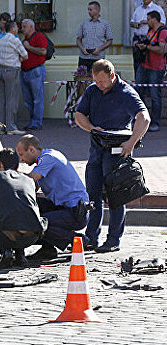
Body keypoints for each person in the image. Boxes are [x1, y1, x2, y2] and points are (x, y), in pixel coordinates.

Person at [75, 59, 150, 253]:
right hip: (96, 151)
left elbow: (144, 118)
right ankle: (92, 238)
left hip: (117, 152)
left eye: (102, 82)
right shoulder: (92, 91)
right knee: (93, 195)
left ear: (112, 76)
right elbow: (79, 115)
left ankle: (113, 240)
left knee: (116, 197)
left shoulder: (126, 93)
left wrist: (131, 142)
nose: (98, 85)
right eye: (95, 81)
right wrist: (92, 128)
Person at [16, 135, 90, 259]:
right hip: (63, 208)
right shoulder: (41, 165)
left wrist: (8, 175)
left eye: (21, 154)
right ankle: (48, 249)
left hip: (75, 212)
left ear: (31, 149)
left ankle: (78, 240)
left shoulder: (49, 157)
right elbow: (31, 189)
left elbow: (30, 179)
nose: (21, 159)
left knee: (36, 222)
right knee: (32, 207)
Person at [0, 148, 48, 267]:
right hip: (33, 236)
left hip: (7, 236)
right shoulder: (29, 180)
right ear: (17, 166)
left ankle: (6, 252)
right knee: (17, 214)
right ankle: (20, 255)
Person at [134, 10, 166, 132]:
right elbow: (148, 42)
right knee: (137, 91)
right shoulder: (150, 31)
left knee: (154, 95)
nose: (146, 22)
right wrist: (141, 44)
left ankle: (155, 122)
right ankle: (141, 119)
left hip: (156, 68)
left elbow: (162, 50)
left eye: (148, 19)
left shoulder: (163, 32)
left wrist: (146, 47)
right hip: (144, 65)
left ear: (154, 19)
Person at [0, 21, 27, 135]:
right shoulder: (14, 40)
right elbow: (25, 54)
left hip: (0, 69)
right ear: (13, 28)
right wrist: (20, 57)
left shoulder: (1, 39)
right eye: (16, 27)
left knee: (2, 99)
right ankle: (11, 127)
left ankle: (1, 126)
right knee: (11, 99)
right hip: (11, 69)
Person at [20, 19, 48, 131]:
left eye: (24, 26)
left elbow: (43, 52)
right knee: (28, 99)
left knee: (37, 99)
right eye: (22, 26)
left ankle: (36, 122)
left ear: (32, 27)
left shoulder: (39, 36)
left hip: (36, 70)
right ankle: (33, 121)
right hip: (25, 71)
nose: (22, 29)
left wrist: (28, 47)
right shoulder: (25, 39)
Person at [130, 0, 166, 76]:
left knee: (150, 62)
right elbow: (131, 22)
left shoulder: (157, 9)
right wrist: (136, 24)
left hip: (151, 39)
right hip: (138, 38)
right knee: (137, 62)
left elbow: (162, 23)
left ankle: (149, 82)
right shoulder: (138, 9)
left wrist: (147, 22)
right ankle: (139, 84)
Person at [76, 1, 113, 72]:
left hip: (98, 57)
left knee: (98, 80)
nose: (88, 11)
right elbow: (78, 39)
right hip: (84, 57)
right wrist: (82, 49)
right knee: (82, 80)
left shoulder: (105, 23)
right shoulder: (84, 23)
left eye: (90, 9)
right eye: (88, 9)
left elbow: (110, 41)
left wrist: (99, 49)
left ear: (97, 10)